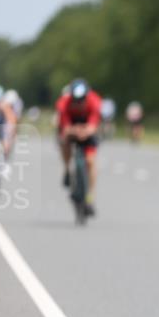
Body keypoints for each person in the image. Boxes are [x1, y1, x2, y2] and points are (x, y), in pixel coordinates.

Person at [56, 78, 102, 216]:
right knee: (64, 142)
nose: (79, 103)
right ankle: (67, 169)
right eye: (76, 100)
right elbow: (65, 127)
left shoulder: (94, 101)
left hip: (87, 129)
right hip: (72, 127)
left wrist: (85, 131)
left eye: (82, 100)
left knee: (89, 161)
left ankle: (89, 197)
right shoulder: (64, 103)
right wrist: (73, 131)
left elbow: (94, 124)